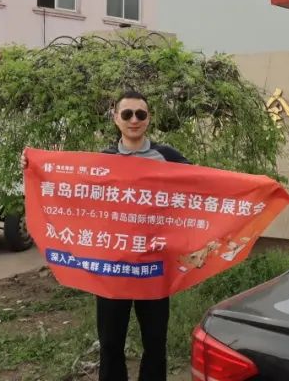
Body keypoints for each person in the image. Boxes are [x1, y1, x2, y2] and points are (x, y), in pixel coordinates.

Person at [96, 90, 190, 381]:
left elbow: (204, 186)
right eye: (127, 114)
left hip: (153, 267)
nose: (134, 120)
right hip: (113, 267)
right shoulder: (103, 160)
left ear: (149, 119)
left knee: (155, 343)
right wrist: (32, 166)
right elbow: (69, 186)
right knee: (110, 344)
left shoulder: (168, 157)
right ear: (116, 118)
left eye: (140, 114)